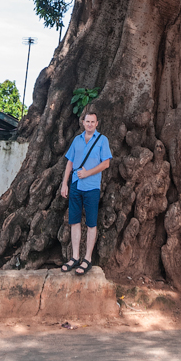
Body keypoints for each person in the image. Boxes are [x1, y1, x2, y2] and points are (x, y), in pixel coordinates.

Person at [60, 106, 112, 275]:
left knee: (91, 223)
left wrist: (88, 173)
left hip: (92, 187)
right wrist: (64, 184)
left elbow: (106, 163)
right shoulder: (77, 140)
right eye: (87, 121)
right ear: (83, 123)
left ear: (97, 123)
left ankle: (87, 259)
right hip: (75, 185)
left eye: (92, 122)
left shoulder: (102, 140)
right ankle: (75, 257)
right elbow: (69, 163)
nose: (89, 124)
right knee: (74, 221)